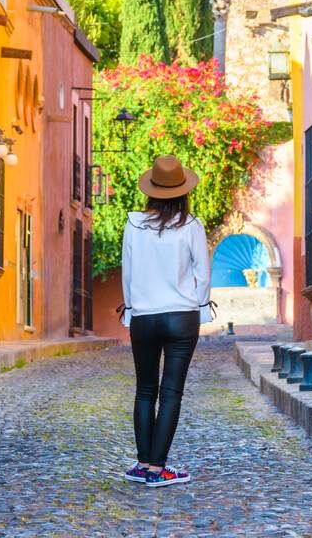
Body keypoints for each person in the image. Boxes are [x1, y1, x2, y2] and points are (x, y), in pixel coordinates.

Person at [119, 154, 210, 488]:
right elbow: (202, 274)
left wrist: (131, 310)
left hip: (143, 315)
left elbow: (127, 274)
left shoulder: (133, 225)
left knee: (145, 390)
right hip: (182, 317)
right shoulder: (192, 226)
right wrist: (200, 307)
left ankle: (143, 464)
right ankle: (158, 469)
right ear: (183, 191)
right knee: (171, 392)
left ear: (151, 191)